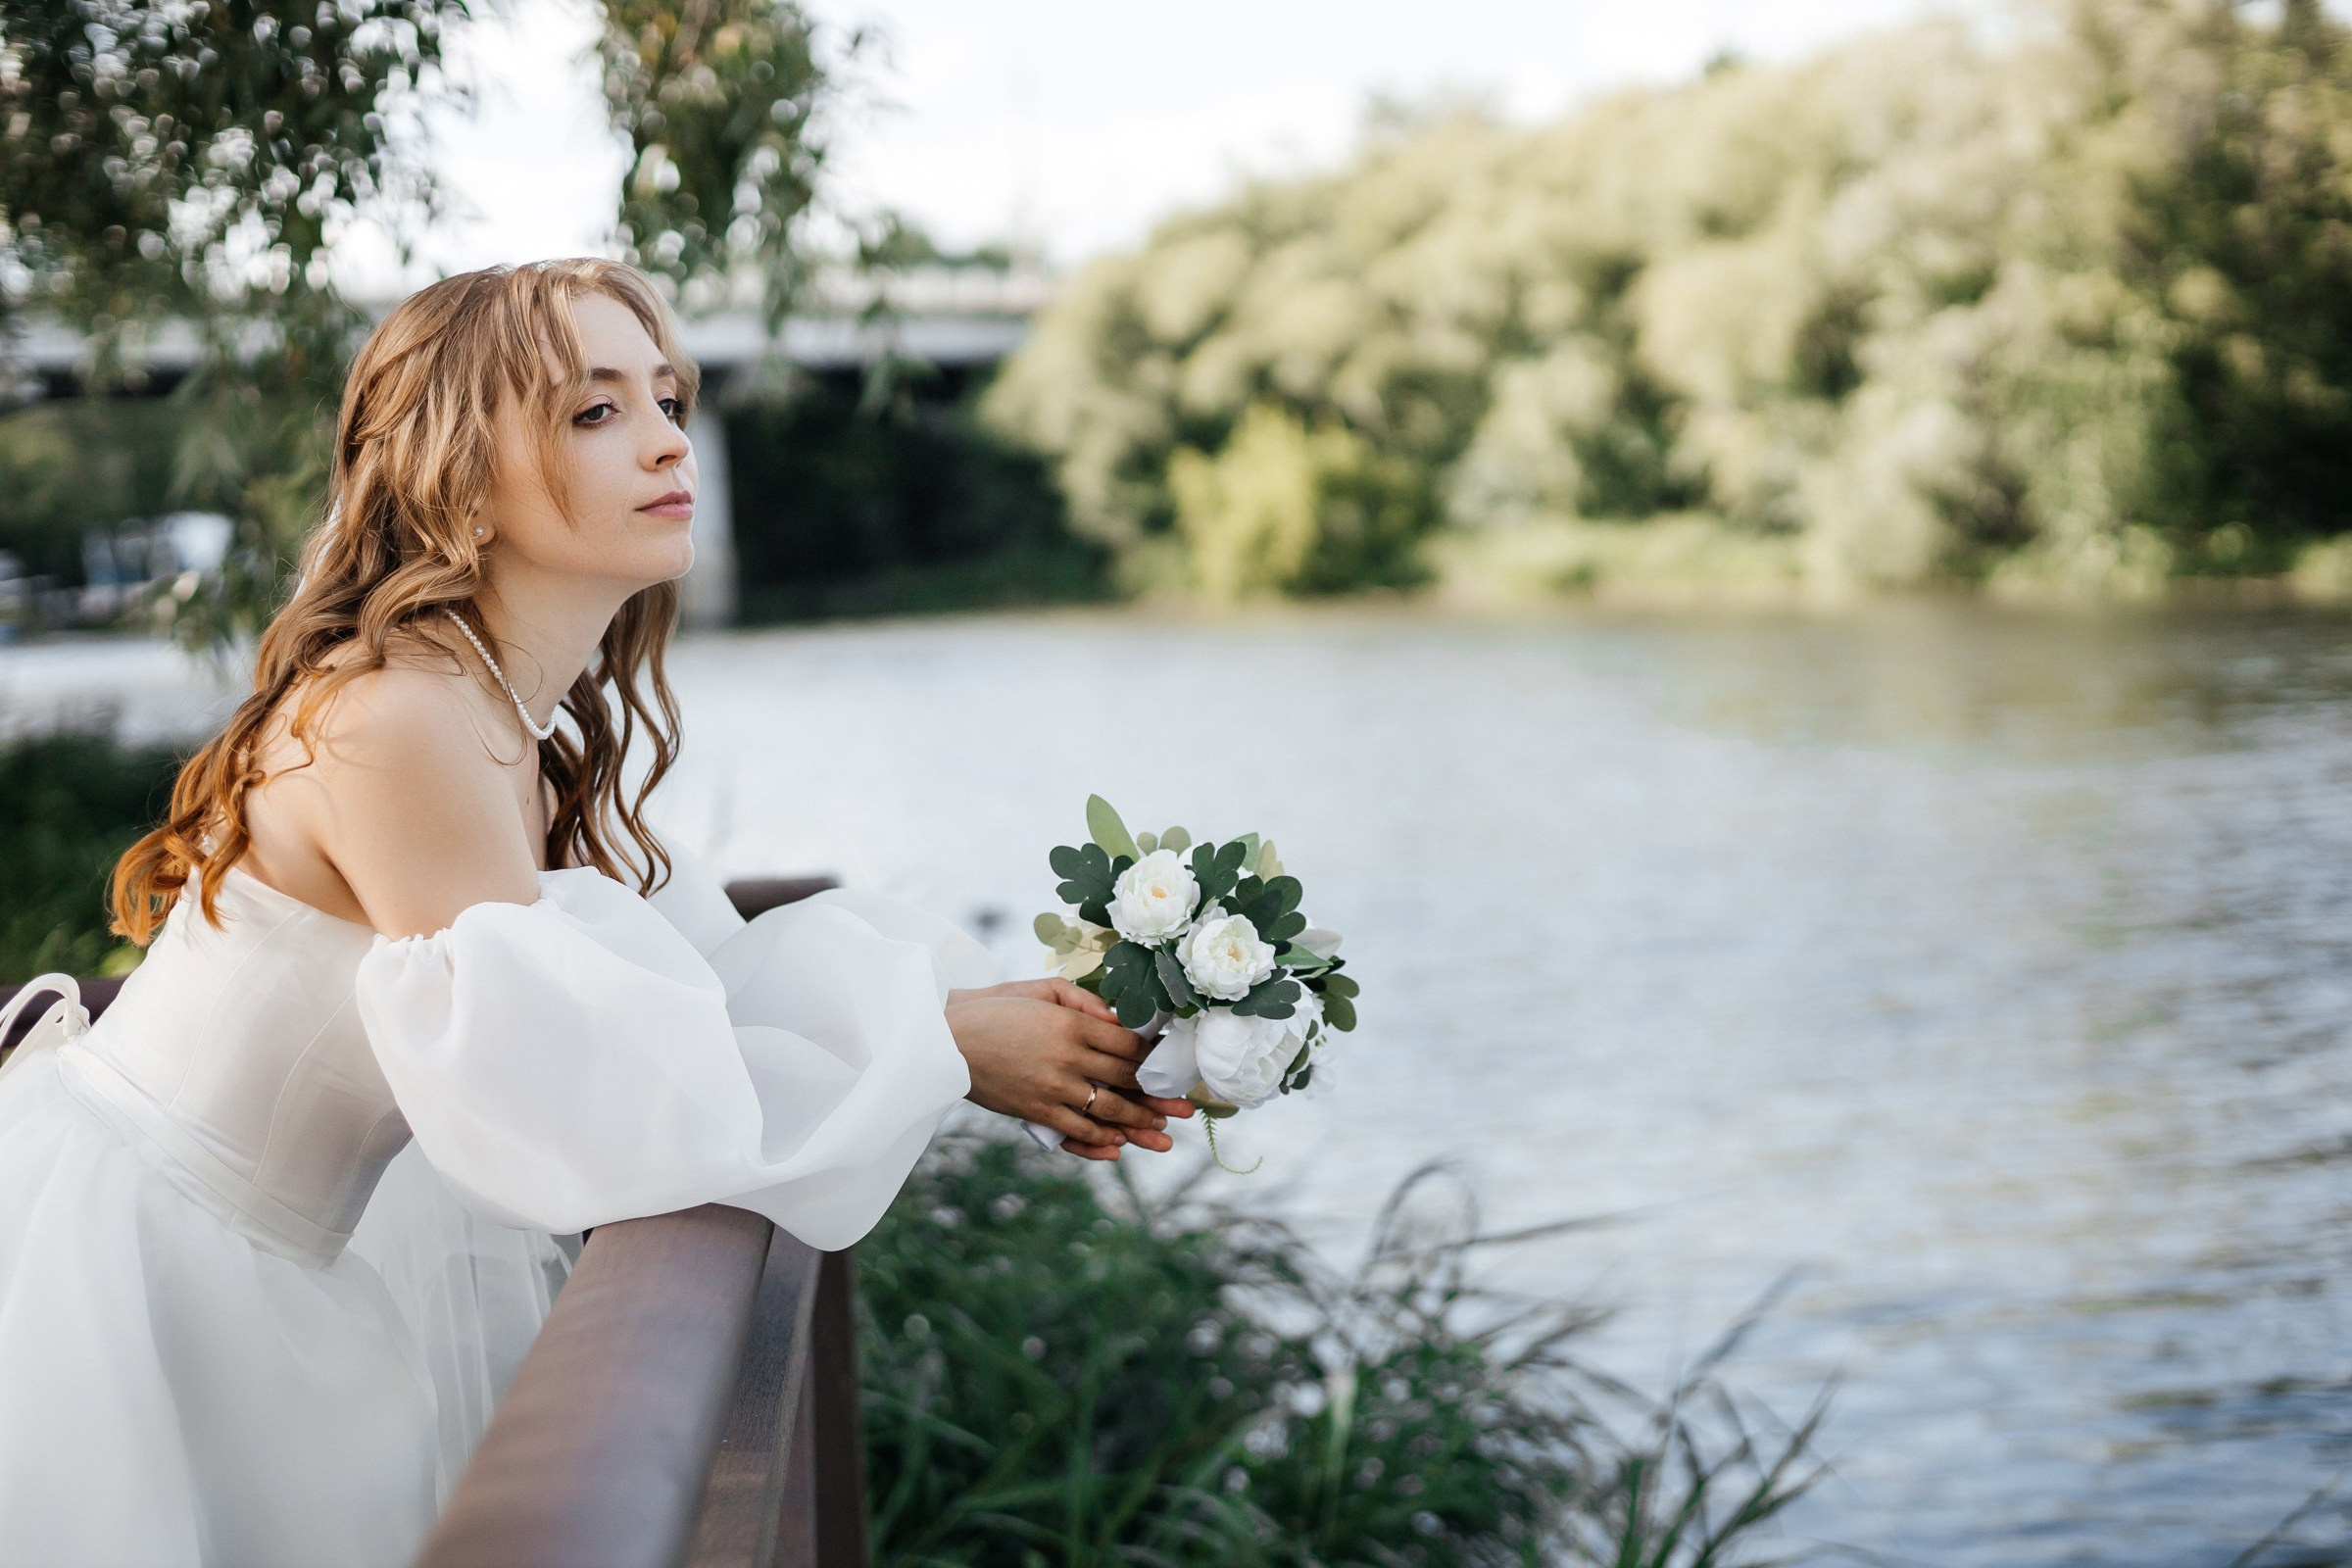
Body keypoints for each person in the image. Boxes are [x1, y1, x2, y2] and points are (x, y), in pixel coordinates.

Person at [0, 259, 1192, 1567]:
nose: (671, 436)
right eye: (595, 411)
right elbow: (576, 1082)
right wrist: (946, 1050)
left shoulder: (508, 718)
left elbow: (688, 982)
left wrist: (980, 1017)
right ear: (454, 468)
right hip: (157, 1262)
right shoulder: (397, 720)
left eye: (668, 396)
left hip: (270, 1262)